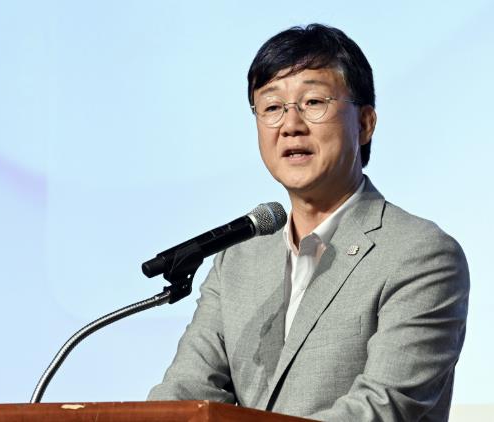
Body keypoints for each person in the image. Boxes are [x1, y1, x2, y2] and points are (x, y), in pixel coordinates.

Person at [147, 23, 469, 422]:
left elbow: (382, 407)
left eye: (313, 102)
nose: (290, 125)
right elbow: (184, 393)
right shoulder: (237, 260)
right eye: (271, 107)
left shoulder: (420, 254)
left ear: (365, 123)